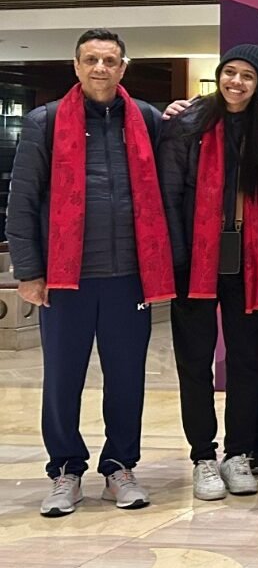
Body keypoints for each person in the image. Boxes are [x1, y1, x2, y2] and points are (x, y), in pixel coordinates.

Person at [10, 30, 173, 518]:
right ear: (76, 66)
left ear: (124, 67)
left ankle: (120, 466)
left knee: (127, 377)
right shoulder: (47, 121)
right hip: (65, 278)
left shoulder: (143, 119)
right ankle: (65, 469)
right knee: (63, 378)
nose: (100, 68)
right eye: (91, 60)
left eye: (110, 60)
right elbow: (23, 202)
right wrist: (30, 271)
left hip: (128, 276)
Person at [159, 44, 258, 500]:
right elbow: (170, 194)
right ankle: (203, 455)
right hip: (195, 261)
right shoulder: (189, 122)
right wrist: (178, 260)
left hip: (251, 262)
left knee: (247, 361)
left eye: (247, 76)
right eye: (230, 72)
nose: (236, 82)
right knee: (195, 362)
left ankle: (238, 452)